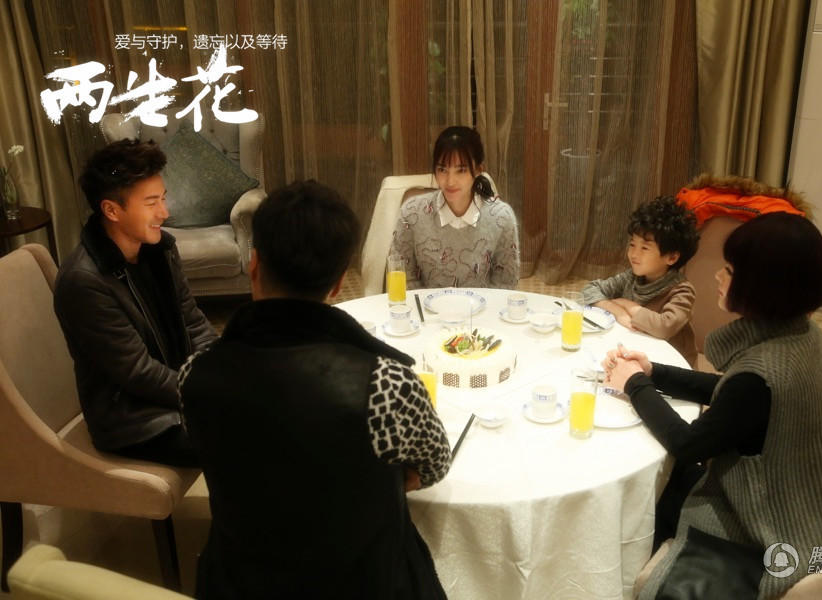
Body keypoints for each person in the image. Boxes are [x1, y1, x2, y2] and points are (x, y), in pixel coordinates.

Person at [178, 180, 451, 599]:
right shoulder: (386, 383)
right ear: (339, 282)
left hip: (239, 586)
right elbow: (433, 465)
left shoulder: (195, 374)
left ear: (254, 264)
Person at [605, 212, 822, 599]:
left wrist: (634, 384)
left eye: (730, 270)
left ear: (763, 287)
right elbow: (731, 394)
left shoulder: (761, 374)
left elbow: (690, 444)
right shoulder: (804, 336)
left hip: (780, 524)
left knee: (646, 493)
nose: (718, 276)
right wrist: (653, 371)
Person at [54, 139, 217, 467]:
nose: (164, 213)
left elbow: (193, 322)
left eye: (163, 198)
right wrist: (206, 393)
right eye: (151, 202)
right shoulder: (84, 281)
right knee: (249, 438)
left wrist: (221, 369)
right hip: (134, 421)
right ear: (112, 210)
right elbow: (138, 373)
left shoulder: (160, 250)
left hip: (174, 393)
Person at [390, 125, 520, 289]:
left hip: (483, 305)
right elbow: (403, 277)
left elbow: (505, 284)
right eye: (442, 169)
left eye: (461, 170)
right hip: (425, 305)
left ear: (478, 170)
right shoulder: (411, 213)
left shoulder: (501, 218)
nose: (450, 181)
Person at [582, 196, 699, 366]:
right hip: (637, 351)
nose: (634, 254)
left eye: (644, 247)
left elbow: (664, 326)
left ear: (672, 257)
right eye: (632, 244)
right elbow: (590, 290)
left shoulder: (682, 290)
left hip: (670, 366)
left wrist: (629, 306)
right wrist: (618, 311)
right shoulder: (632, 277)